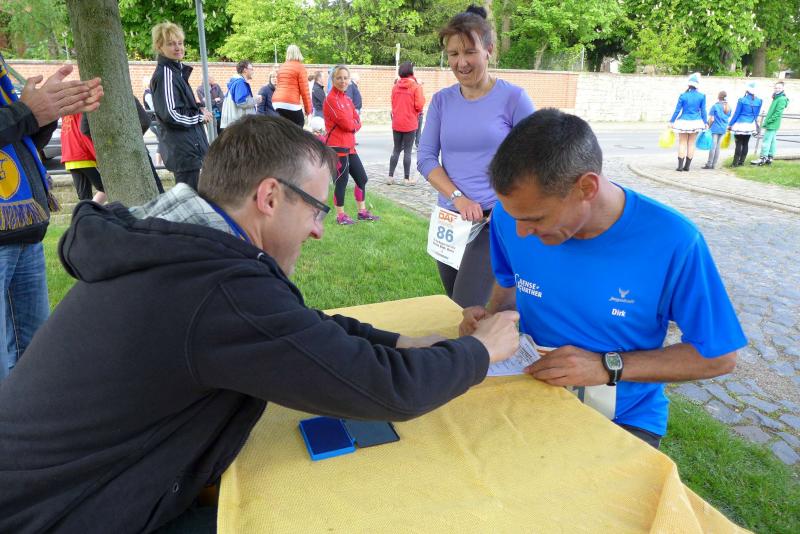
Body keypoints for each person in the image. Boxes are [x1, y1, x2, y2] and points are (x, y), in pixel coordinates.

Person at [0, 115, 521, 532]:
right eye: (316, 210)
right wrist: (480, 352)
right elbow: (386, 390)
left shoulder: (172, 243)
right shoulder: (217, 287)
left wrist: (399, 340)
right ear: (270, 198)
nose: (318, 231)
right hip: (60, 516)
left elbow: (294, 326)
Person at [460, 109, 746, 448]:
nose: (521, 232)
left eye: (536, 219)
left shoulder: (673, 241)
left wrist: (608, 366)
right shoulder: (511, 218)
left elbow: (719, 356)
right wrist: (491, 320)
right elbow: (509, 283)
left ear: (587, 187)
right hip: (530, 393)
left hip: (621, 419)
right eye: (515, 217)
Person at [417, 5, 535, 308]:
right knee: (456, 305)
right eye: (453, 54)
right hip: (450, 219)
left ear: (489, 51)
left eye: (470, 52)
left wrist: (510, 204)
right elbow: (426, 158)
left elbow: (536, 159)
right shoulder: (442, 101)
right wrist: (458, 198)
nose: (461, 62)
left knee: (467, 306)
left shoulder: (514, 98)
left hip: (492, 221)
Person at [0, 54, 102, 381]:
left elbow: (18, 141)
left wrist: (47, 113)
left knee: (35, 367)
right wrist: (27, 112)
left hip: (23, 233)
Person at [149, 22, 212, 190]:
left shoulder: (176, 72)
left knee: (193, 196)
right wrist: (199, 117)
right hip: (183, 150)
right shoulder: (166, 74)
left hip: (189, 148)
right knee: (189, 197)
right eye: (171, 44)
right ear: (159, 47)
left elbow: (181, 104)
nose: (178, 48)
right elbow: (171, 114)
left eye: (180, 43)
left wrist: (198, 107)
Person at [324, 65, 380, 225]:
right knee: (341, 181)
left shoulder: (347, 100)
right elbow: (347, 124)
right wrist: (352, 124)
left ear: (349, 80)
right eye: (339, 78)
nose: (342, 81)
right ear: (333, 79)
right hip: (337, 147)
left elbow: (356, 121)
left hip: (350, 146)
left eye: (345, 78)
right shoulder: (331, 99)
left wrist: (353, 124)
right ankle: (340, 216)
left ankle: (362, 212)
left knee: (362, 178)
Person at [388, 61, 425, 185]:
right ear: (411, 71)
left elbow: (393, 103)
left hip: (397, 122)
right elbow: (419, 106)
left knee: (396, 149)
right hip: (410, 122)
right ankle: (406, 179)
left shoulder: (395, 87)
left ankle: (390, 177)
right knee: (408, 151)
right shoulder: (416, 87)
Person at [60, 112, 105, 203]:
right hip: (83, 156)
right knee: (107, 188)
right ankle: (91, 209)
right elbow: (84, 132)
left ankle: (87, 210)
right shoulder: (82, 110)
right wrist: (98, 156)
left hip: (70, 158)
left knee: (84, 198)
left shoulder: (66, 112)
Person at [668, 72, 707, 172]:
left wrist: (671, 121)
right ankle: (687, 167)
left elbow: (677, 110)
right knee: (691, 143)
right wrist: (705, 122)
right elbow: (703, 111)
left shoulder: (683, 96)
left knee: (682, 143)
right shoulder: (702, 96)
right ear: (697, 85)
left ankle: (680, 167)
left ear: (689, 85)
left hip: (683, 121)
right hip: (696, 121)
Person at [271, 44, 312, 127]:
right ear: (298, 53)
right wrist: (308, 110)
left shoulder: (282, 67)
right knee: (299, 124)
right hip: (291, 102)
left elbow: (278, 85)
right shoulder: (300, 67)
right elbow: (305, 91)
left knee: (285, 127)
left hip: (277, 102)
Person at [752, 81, 789, 166]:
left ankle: (762, 158)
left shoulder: (781, 99)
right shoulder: (777, 97)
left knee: (766, 141)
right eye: (776, 88)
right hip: (773, 123)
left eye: (779, 88)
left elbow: (778, 113)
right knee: (772, 141)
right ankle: (769, 157)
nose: (777, 89)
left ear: (783, 88)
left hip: (772, 123)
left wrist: (768, 121)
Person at [728, 81, 762, 167]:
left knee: (738, 143)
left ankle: (735, 163)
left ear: (747, 90)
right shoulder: (759, 101)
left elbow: (737, 113)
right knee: (746, 143)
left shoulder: (742, 100)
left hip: (740, 124)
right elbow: (756, 114)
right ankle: (741, 162)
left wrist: (730, 124)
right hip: (750, 124)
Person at [220, 60, 261, 130]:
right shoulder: (240, 83)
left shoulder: (236, 82)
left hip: (235, 124)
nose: (253, 72)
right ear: (245, 70)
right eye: (251, 69)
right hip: (239, 126)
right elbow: (242, 102)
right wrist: (256, 100)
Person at [702, 91, 731, 170]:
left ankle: (709, 164)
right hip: (723, 128)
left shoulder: (715, 106)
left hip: (715, 128)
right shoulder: (729, 107)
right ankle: (714, 165)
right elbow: (727, 117)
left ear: (718, 97)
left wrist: (708, 126)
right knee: (718, 147)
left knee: (713, 147)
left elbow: (712, 119)